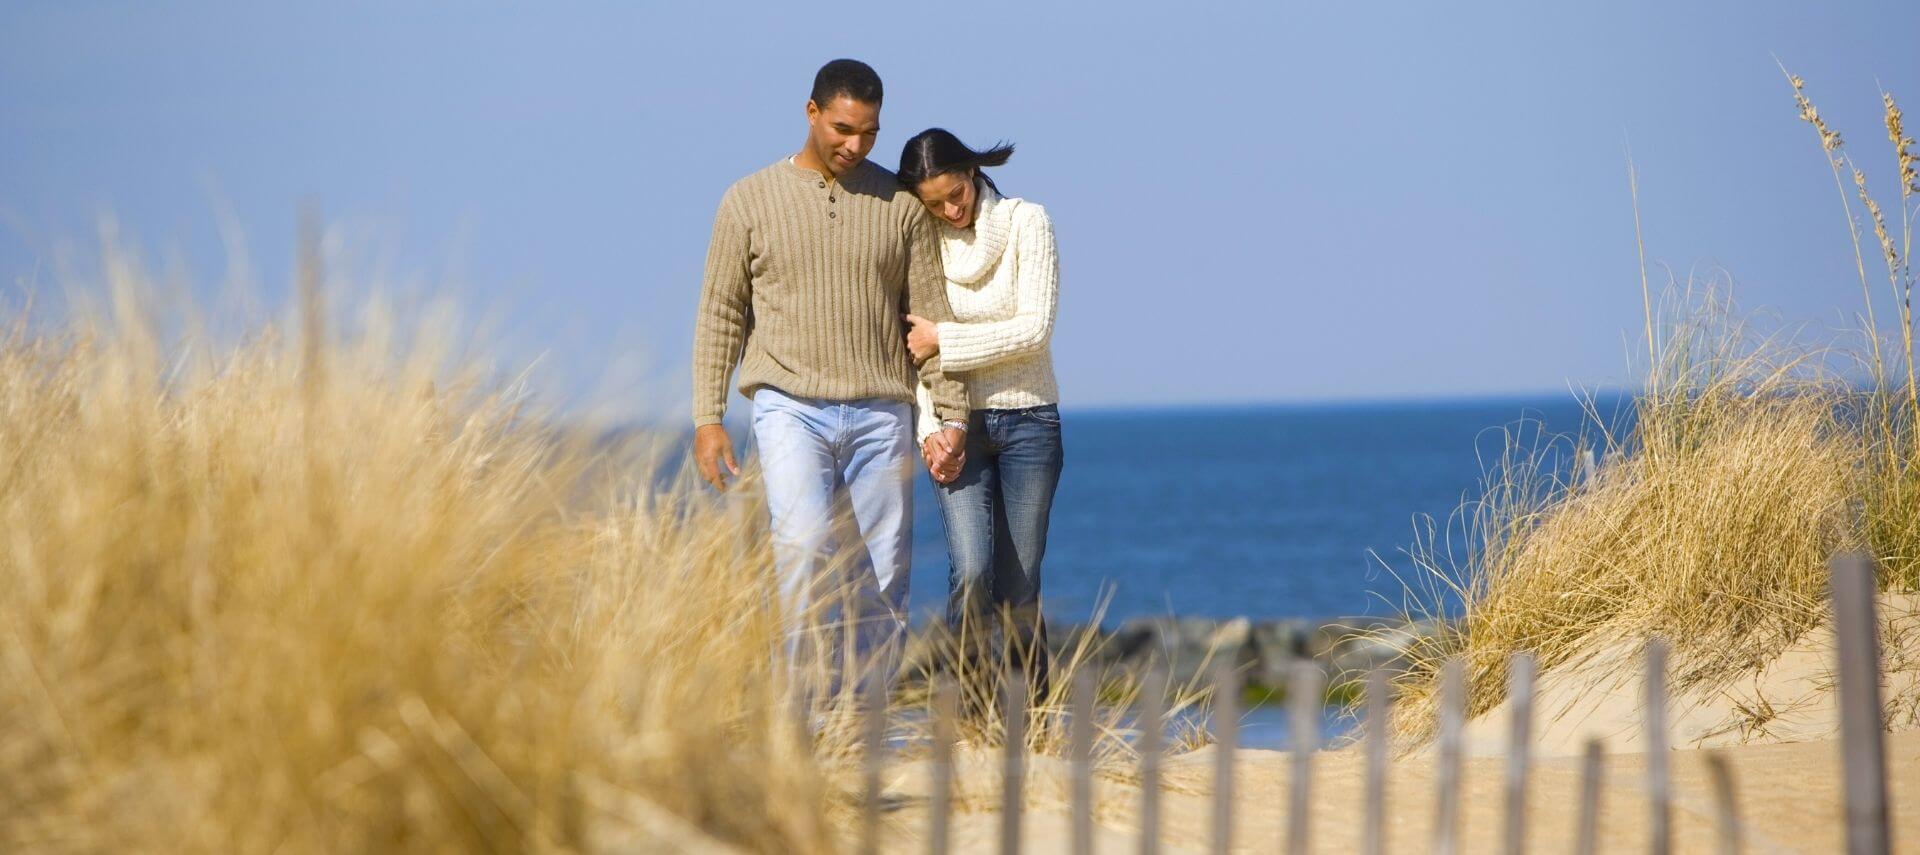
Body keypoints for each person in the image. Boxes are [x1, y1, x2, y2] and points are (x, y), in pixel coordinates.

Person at [690, 60, 969, 714]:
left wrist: (949, 414)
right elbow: (720, 312)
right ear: (811, 112)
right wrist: (707, 415)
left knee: (885, 574)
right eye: (844, 128)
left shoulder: (900, 206)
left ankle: (862, 723)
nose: (856, 145)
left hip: (882, 414)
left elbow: (930, 317)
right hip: (790, 410)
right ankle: (808, 722)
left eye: (870, 132)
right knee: (804, 552)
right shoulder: (748, 199)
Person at [897, 129, 1063, 713]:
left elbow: (1032, 330)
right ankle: (971, 723)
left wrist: (948, 338)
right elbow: (912, 349)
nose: (950, 209)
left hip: (1030, 425)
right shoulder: (922, 240)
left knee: (1019, 588)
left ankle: (1031, 725)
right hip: (955, 425)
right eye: (934, 202)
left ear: (971, 171)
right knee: (969, 575)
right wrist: (927, 430)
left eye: (955, 192)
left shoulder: (1027, 223)